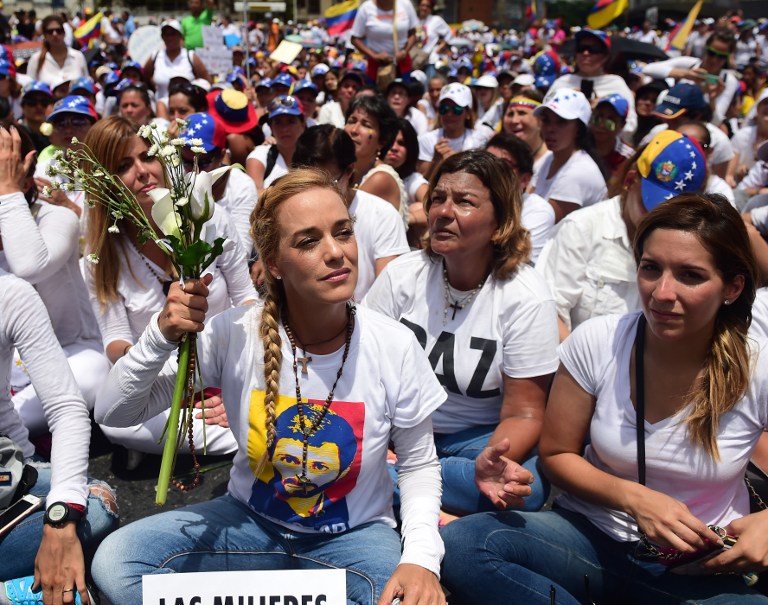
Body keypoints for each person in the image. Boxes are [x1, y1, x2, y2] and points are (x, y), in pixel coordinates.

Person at [91, 168, 447, 605]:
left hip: (355, 541)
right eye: (308, 241)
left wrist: (422, 558)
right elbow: (114, 414)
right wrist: (160, 334)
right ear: (273, 263)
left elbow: (416, 465)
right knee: (118, 560)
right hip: (247, 526)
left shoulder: (394, 343)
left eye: (343, 232)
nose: (336, 253)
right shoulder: (233, 333)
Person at [442, 191, 768, 604]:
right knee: (465, 545)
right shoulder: (597, 340)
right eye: (651, 269)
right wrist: (634, 499)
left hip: (696, 565)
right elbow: (557, 455)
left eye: (690, 275)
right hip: (589, 538)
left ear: (733, 287)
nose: (663, 293)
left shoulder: (757, 366)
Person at [365, 150, 559, 516]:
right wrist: (381, 440)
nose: (443, 212)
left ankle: (390, 484)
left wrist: (489, 460)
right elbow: (364, 368)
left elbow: (525, 414)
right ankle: (417, 490)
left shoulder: (526, 297)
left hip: (475, 441)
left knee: (525, 486)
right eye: (437, 198)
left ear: (500, 223)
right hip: (398, 430)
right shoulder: (402, 276)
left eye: (464, 202)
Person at [82, 116, 251, 458]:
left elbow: (247, 297)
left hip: (225, 358)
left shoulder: (206, 215)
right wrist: (158, 373)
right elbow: (115, 341)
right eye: (123, 166)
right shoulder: (101, 254)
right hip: (162, 374)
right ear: (105, 183)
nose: (142, 172)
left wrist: (228, 380)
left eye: (147, 157)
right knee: (113, 421)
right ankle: (242, 429)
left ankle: (228, 423)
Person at [0, 126, 118, 604]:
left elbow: (27, 265)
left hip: (69, 354)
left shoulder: (57, 219)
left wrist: (49, 501)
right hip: (19, 382)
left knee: (97, 502)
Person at [537, 130, 708, 341]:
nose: (658, 218)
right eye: (652, 204)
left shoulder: (690, 248)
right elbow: (549, 313)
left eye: (673, 212)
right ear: (630, 180)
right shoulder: (582, 228)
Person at [530, 88, 608, 222]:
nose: (550, 129)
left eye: (561, 122)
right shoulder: (549, 158)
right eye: (546, 120)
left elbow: (539, 225)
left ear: (579, 128)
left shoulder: (579, 172)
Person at [547, 29, 637, 135]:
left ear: (605, 56)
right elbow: (544, 119)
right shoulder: (562, 83)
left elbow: (630, 125)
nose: (585, 53)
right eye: (581, 49)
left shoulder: (616, 84)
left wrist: (600, 113)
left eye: (593, 49)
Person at [643, 27, 739, 127]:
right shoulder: (689, 64)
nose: (714, 60)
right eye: (712, 53)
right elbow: (647, 69)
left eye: (721, 56)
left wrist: (712, 99)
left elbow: (715, 123)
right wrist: (686, 74)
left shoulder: (728, 81)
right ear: (705, 48)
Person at [484, 133, 554, 264]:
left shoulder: (538, 211)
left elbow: (515, 261)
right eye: (485, 161)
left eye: (502, 165)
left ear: (525, 179)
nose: (490, 170)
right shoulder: (470, 202)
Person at [344, 94, 407, 224]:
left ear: (382, 141)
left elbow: (338, 219)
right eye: (351, 121)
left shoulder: (381, 178)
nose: (354, 130)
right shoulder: (346, 171)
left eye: (366, 124)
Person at [417, 83, 486, 180]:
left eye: (456, 109)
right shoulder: (426, 140)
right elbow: (422, 181)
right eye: (444, 109)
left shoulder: (479, 140)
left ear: (467, 114)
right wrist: (436, 160)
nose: (449, 114)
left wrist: (458, 157)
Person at [143, 20, 211, 108]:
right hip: (159, 108)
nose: (169, 38)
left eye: (173, 34)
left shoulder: (190, 56)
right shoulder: (155, 56)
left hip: (185, 111)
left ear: (180, 36)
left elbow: (206, 81)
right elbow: (145, 77)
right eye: (166, 34)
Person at [246, 95, 305, 193]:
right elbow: (254, 196)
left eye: (291, 122)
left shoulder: (315, 155)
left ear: (302, 125)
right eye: (278, 123)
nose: (284, 129)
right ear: (270, 127)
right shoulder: (259, 156)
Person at [350, 0, 418, 86]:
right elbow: (355, 39)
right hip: (377, 68)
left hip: (402, 65)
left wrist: (405, 52)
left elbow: (413, 33)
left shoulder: (405, 4)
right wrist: (374, 56)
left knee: (401, 95)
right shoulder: (366, 8)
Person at [384, 118, 429, 246]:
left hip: (402, 243)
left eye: (401, 143)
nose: (394, 148)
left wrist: (405, 218)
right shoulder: (366, 172)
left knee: (418, 207)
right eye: (390, 141)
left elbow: (432, 207)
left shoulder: (412, 179)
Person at [26, 15, 88, 89]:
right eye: (50, 32)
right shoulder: (35, 59)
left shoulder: (78, 56)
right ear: (45, 35)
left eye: (59, 31)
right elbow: (29, 89)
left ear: (64, 33)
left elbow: (87, 85)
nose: (55, 34)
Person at [501, 91, 549, 179]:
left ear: (540, 120)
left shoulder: (552, 161)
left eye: (522, 113)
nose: (514, 120)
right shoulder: (498, 159)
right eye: (510, 114)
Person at [590, 93, 635, 177]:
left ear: (622, 125)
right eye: (598, 118)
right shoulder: (577, 146)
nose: (602, 125)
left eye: (610, 121)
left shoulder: (628, 158)